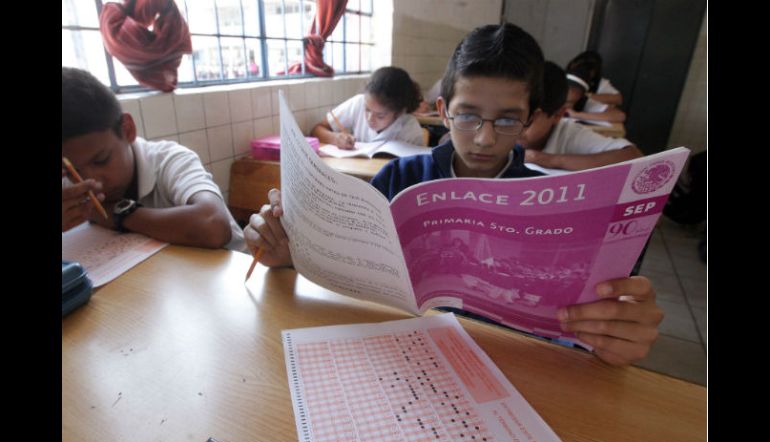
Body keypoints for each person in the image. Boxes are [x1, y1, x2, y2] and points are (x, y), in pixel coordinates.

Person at [247, 24, 664, 367]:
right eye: (467, 115)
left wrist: (610, 336)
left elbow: (577, 333)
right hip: (399, 356)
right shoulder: (399, 179)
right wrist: (292, 255)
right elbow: (350, 271)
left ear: (531, 120)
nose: (483, 138)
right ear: (444, 110)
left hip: (504, 365)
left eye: (507, 120)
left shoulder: (547, 198)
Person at [62, 67, 246, 252]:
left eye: (102, 160)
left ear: (127, 130)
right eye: (73, 172)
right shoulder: (68, 184)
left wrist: (117, 214)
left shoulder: (170, 160)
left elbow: (213, 225)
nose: (93, 182)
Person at [519, 61, 642, 172]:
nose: (513, 128)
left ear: (558, 115)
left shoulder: (568, 133)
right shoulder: (502, 132)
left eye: (527, 121)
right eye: (507, 118)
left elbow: (633, 156)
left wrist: (549, 159)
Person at [310, 66, 425, 149]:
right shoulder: (358, 102)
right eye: (367, 110)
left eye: (380, 116)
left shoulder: (411, 130)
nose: (370, 119)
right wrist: (335, 138)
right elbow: (317, 129)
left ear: (399, 112)